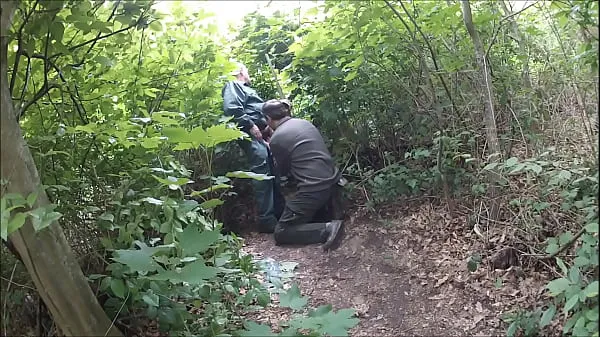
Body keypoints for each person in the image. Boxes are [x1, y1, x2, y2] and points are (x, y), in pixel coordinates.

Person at [262, 99, 345, 250]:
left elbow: (284, 171)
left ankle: (327, 229)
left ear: (268, 119)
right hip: (333, 180)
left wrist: (271, 147)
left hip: (314, 189)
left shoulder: (277, 138)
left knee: (281, 231)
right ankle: (330, 212)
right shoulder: (304, 123)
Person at [221, 64, 283, 233]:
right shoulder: (234, 85)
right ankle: (266, 219)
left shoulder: (247, 90)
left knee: (271, 168)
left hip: (260, 135)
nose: (249, 74)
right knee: (262, 171)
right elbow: (232, 108)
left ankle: (278, 215)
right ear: (241, 72)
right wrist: (250, 125)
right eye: (246, 70)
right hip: (249, 133)